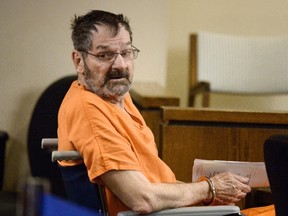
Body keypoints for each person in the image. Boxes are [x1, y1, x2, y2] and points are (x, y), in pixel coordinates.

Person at [57, 10, 253, 216]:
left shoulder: (116, 96)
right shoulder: (90, 110)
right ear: (79, 61)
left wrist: (210, 191)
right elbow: (142, 199)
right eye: (104, 55)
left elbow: (154, 182)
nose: (120, 65)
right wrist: (210, 188)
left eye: (125, 52)